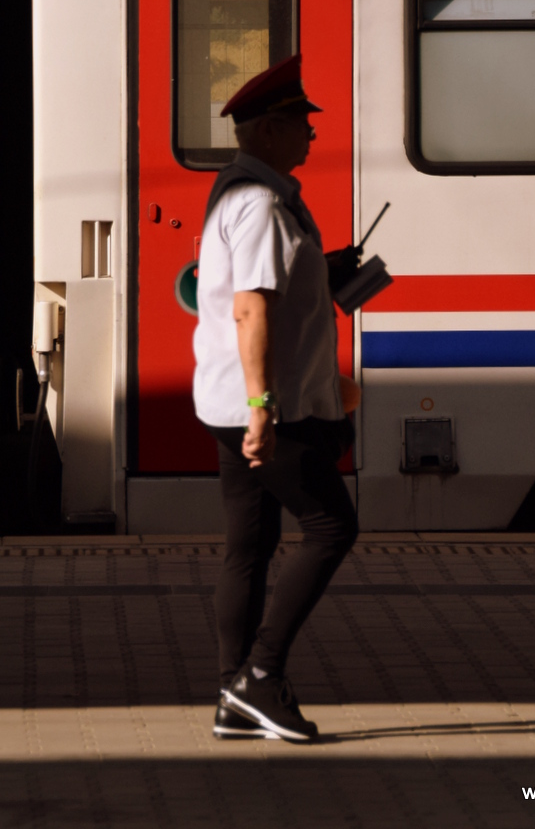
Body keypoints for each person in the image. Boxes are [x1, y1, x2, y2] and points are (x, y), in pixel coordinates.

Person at [193, 53, 360, 744]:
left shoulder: (242, 193)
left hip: (233, 403)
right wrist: (263, 411)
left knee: (250, 547)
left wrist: (324, 275)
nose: (312, 136)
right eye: (300, 124)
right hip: (269, 408)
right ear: (266, 130)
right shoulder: (259, 203)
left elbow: (268, 291)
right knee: (330, 529)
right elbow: (250, 309)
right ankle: (259, 676)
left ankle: (235, 696)